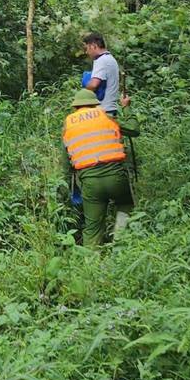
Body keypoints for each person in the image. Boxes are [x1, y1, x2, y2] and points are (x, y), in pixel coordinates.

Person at [62, 89, 132, 246]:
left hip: (90, 183)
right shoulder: (106, 117)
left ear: (75, 107)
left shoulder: (69, 125)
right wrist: (126, 106)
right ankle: (120, 243)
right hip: (116, 178)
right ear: (95, 104)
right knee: (125, 205)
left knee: (92, 228)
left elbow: (66, 163)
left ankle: (91, 264)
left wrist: (67, 187)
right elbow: (134, 129)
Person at [82, 32, 130, 115]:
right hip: (110, 109)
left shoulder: (101, 60)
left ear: (93, 45)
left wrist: (84, 89)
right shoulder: (110, 58)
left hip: (103, 110)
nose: (86, 52)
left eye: (87, 48)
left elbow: (94, 85)